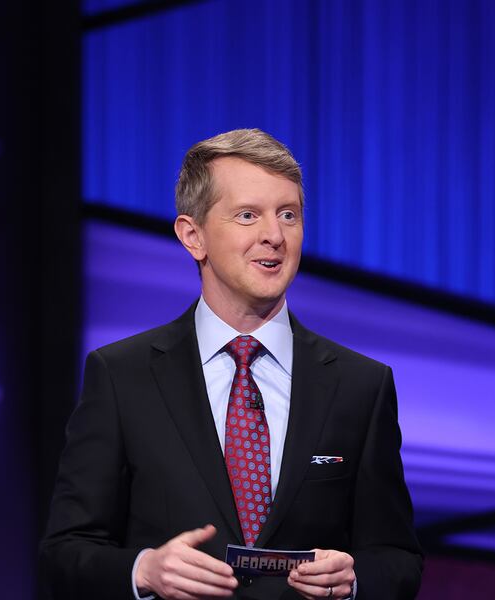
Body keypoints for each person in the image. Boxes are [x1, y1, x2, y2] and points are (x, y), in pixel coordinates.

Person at [41, 129, 423, 599]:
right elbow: (65, 553)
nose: (274, 236)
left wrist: (354, 580)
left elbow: (398, 558)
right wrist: (144, 570)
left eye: (288, 215)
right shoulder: (122, 376)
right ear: (193, 236)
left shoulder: (361, 385)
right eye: (248, 215)